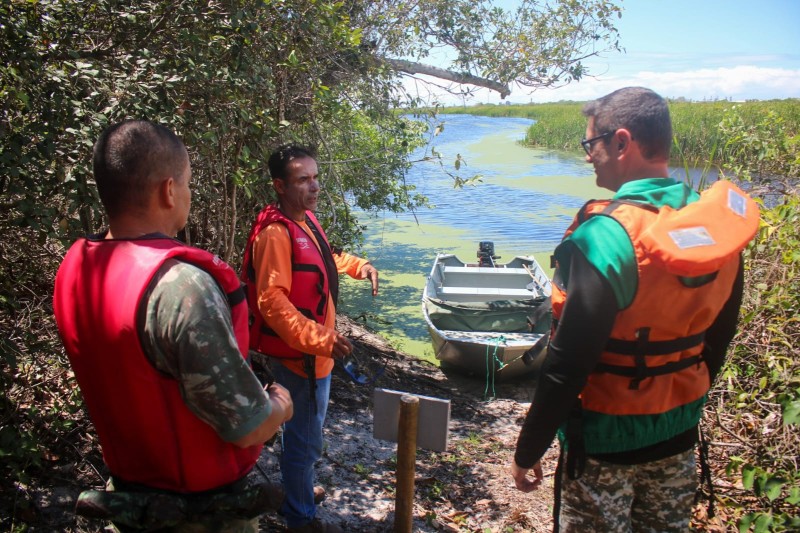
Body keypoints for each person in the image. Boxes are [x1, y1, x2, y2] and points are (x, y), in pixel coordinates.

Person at [510, 87, 759, 532]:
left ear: (622, 142)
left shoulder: (605, 237)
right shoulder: (716, 226)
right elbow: (719, 339)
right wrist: (682, 401)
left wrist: (528, 451)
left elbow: (568, 364)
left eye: (591, 145)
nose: (588, 157)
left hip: (603, 441)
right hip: (679, 429)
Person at [53, 120, 294, 532]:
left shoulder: (75, 269)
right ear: (168, 190)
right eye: (186, 183)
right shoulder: (182, 287)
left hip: (126, 499)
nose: (188, 194)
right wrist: (281, 404)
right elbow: (248, 427)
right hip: (198, 516)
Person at [241, 144, 379, 533]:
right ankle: (300, 519)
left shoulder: (304, 220)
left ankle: (298, 490)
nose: (314, 186)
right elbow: (272, 301)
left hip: (316, 356)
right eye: (303, 179)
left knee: (308, 438)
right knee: (304, 443)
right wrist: (320, 338)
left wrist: (359, 266)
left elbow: (325, 256)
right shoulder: (275, 234)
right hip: (299, 360)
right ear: (280, 186)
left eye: (316, 177)